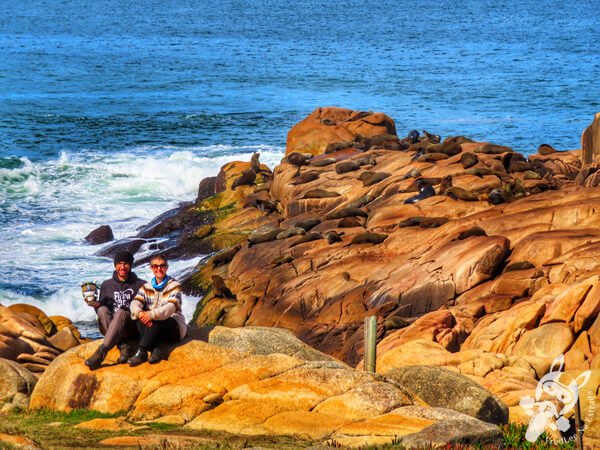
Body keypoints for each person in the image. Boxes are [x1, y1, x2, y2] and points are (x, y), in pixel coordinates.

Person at [85, 251, 146, 370]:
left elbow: (146, 308)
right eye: (119, 263)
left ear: (131, 265)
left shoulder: (141, 284)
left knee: (121, 312)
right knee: (102, 310)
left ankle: (102, 352)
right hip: (113, 326)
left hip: (131, 326)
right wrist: (95, 305)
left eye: (126, 264)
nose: (122, 267)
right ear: (115, 265)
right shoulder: (107, 285)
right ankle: (122, 345)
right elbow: (102, 309)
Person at [127, 254, 187, 366]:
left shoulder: (174, 286)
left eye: (162, 266)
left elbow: (169, 309)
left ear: (167, 267)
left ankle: (142, 351)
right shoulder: (146, 287)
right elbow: (135, 303)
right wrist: (140, 313)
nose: (159, 269)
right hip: (155, 328)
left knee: (156, 321)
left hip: (174, 327)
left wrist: (150, 315)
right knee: (138, 319)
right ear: (151, 268)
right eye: (155, 266)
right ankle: (155, 349)